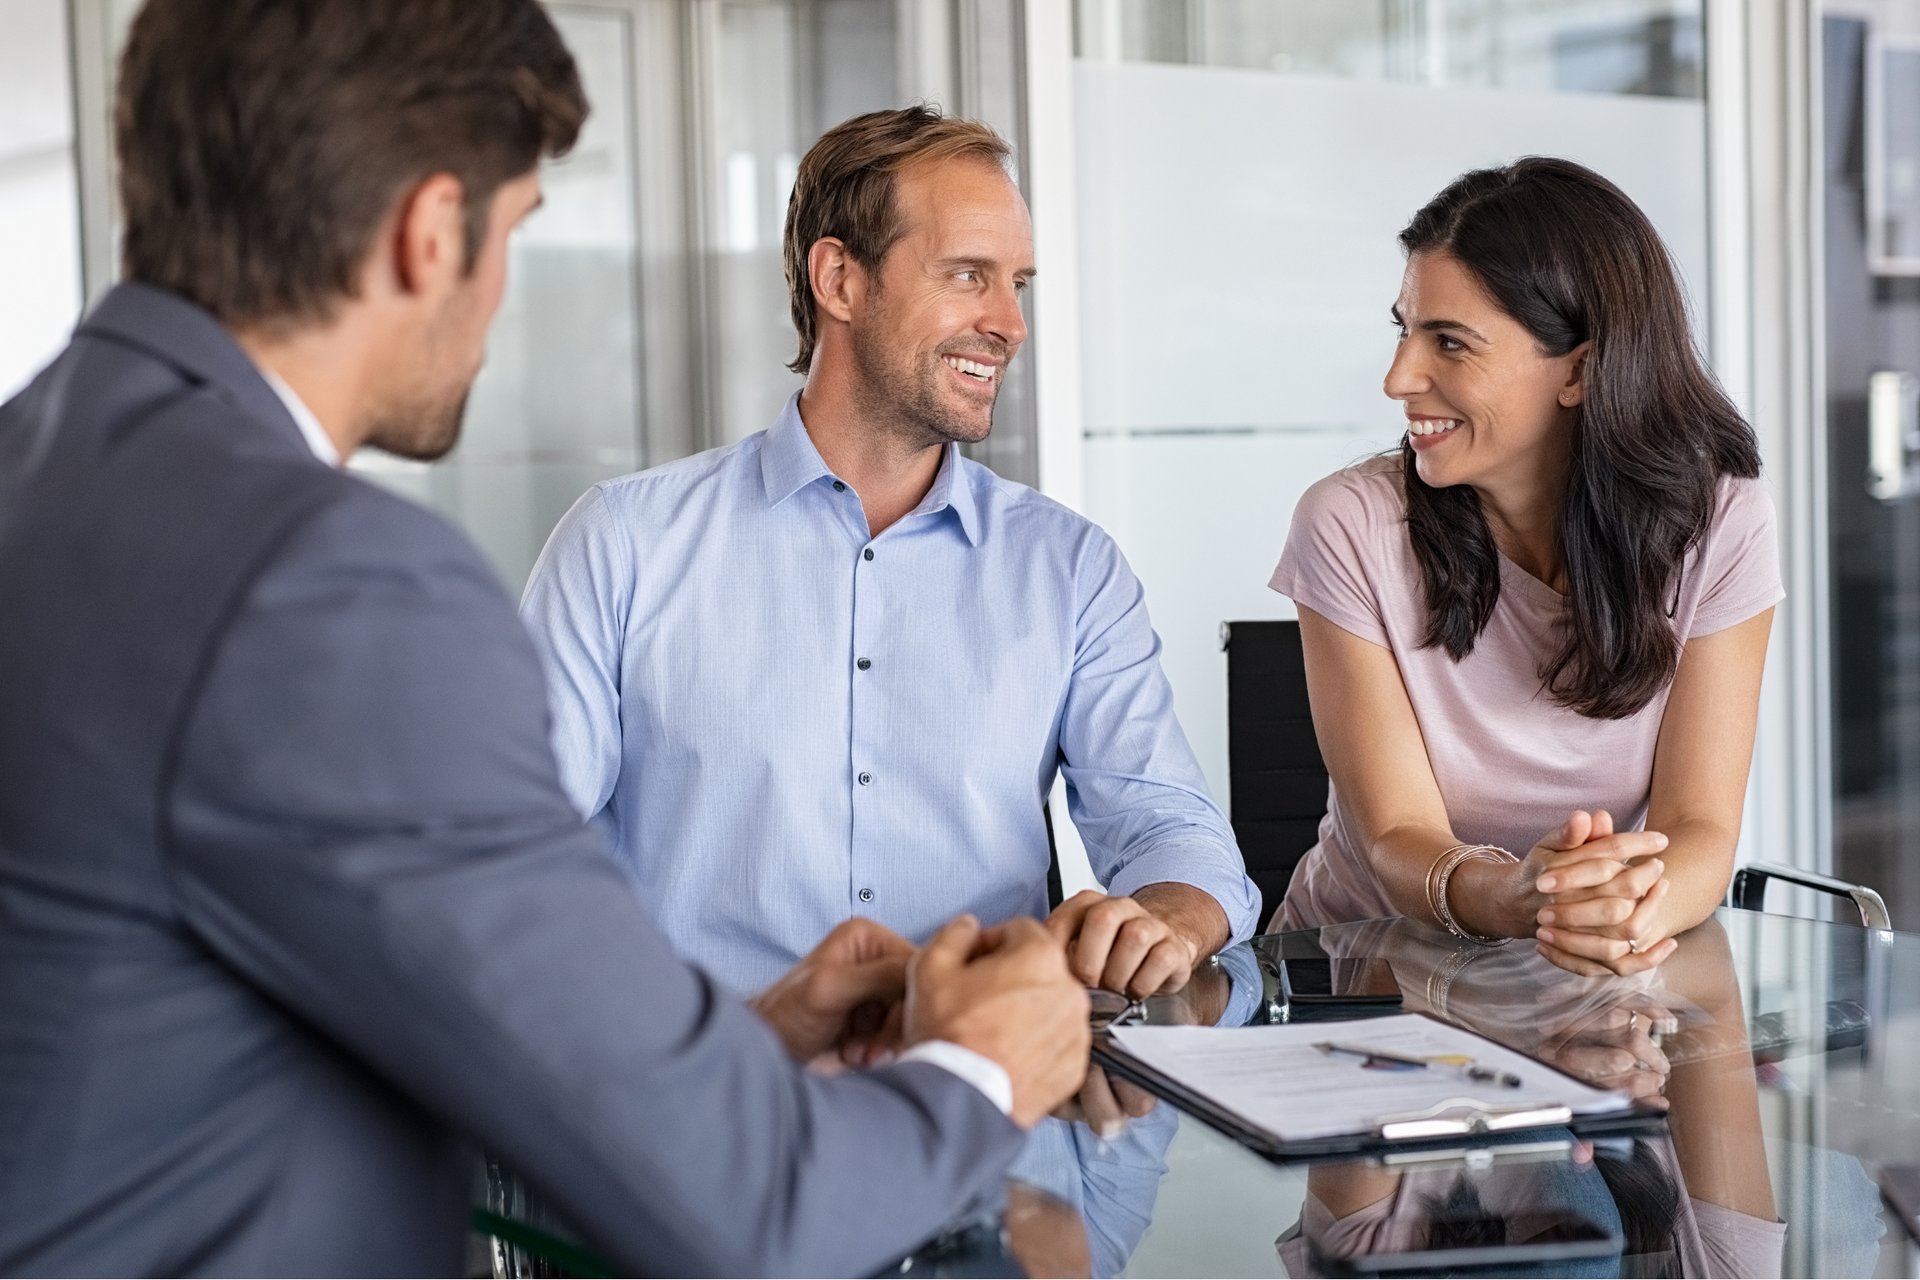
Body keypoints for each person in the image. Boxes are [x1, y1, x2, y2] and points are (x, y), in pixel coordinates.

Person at [0, 2, 1092, 1275]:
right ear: (427, 232)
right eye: (513, 230)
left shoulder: (38, 468)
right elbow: (755, 1211)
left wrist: (734, 1045)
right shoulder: (327, 584)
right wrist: (979, 1063)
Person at [521, 108, 1258, 1002]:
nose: (1010, 323)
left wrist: (1167, 917)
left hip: (981, 1098)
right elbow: (519, 852)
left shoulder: (1069, 568)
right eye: (967, 276)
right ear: (839, 278)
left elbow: (1169, 826)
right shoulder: (624, 544)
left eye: (1017, 283)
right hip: (707, 1095)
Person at [1268, 157, 1780, 976]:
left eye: (1449, 342)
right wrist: (1518, 898)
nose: (1399, 377)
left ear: (1578, 369)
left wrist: (1615, 910)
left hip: (1582, 977)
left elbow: (1700, 831)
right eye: (1403, 329)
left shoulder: (1719, 524)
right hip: (1364, 981)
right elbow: (1398, 836)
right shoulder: (1348, 524)